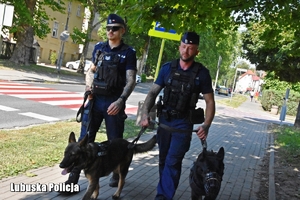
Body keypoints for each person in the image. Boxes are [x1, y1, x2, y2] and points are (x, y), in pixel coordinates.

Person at [64, 13, 137, 188]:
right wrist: (88, 88)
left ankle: (115, 172)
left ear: (122, 31)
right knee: (84, 140)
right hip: (95, 101)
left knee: (115, 141)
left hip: (113, 102)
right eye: (108, 28)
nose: (110, 31)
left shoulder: (128, 53)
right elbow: (91, 71)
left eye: (115, 28)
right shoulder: (99, 48)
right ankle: (73, 177)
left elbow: (131, 80)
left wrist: (120, 101)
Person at [140, 32, 215, 200]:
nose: (186, 51)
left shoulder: (202, 74)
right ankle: (165, 190)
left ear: (196, 51)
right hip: (165, 122)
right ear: (179, 46)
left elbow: (210, 102)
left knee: (172, 162)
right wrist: (145, 115)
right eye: (183, 46)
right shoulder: (167, 68)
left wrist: (206, 125)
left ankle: (163, 197)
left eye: (190, 48)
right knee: (163, 160)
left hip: (183, 126)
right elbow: (152, 93)